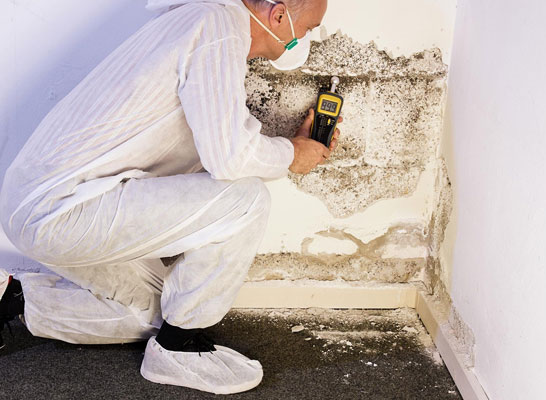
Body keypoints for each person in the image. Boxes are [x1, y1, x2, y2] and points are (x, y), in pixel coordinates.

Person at [0, 0, 339, 394]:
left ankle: (13, 301)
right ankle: (180, 352)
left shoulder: (203, 25)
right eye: (310, 28)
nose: (310, 38)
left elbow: (213, 154)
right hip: (61, 209)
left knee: (156, 312)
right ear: (279, 16)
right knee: (247, 200)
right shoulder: (218, 27)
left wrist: (296, 145)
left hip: (45, 202)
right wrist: (294, 155)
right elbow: (230, 158)